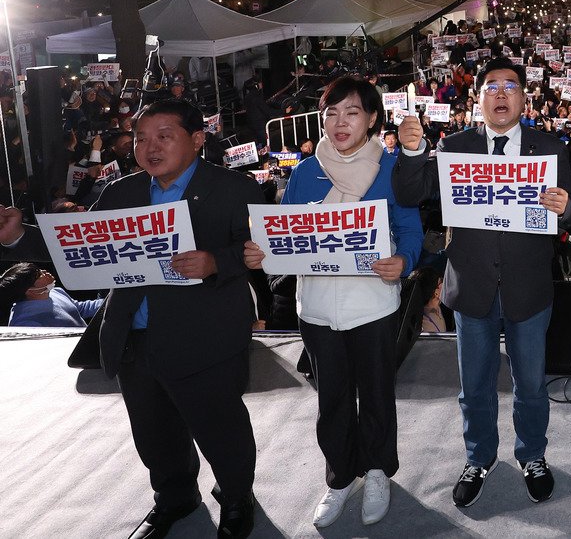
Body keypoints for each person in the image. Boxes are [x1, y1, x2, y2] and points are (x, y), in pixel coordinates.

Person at [0, 99, 263, 539]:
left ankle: (237, 497)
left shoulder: (235, 189)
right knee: (153, 434)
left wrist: (217, 261)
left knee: (220, 428)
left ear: (197, 139)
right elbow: (78, 255)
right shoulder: (121, 192)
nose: (149, 147)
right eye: (141, 138)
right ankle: (175, 499)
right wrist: (16, 238)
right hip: (133, 336)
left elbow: (261, 252)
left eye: (164, 136)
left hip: (205, 337)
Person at [393, 58, 571, 507]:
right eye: (491, 86)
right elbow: (408, 194)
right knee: (474, 385)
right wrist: (414, 152)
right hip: (471, 285)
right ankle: (478, 457)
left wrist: (566, 207)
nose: (500, 94)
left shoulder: (549, 148)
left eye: (510, 86)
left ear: (523, 98)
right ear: (477, 99)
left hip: (529, 287)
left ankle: (533, 454)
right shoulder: (454, 145)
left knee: (531, 384)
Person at [242, 77, 422, 528]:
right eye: (331, 113)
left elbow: (410, 228)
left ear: (373, 118)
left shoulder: (392, 168)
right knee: (332, 398)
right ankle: (340, 477)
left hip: (373, 303)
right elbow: (286, 235)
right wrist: (262, 251)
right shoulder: (304, 171)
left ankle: (378, 470)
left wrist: (404, 258)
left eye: (352, 112)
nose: (340, 123)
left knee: (378, 393)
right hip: (318, 307)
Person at [2, 262, 103, 327]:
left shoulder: (55, 292)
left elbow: (80, 309)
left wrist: (113, 300)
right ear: (29, 290)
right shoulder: (24, 323)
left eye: (39, 270)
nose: (44, 272)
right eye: (38, 275)